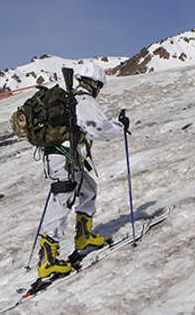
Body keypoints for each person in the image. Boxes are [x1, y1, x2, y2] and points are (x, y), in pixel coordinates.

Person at [37, 62, 128, 279]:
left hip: (63, 157)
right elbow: (98, 129)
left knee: (88, 189)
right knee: (62, 201)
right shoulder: (84, 100)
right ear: (95, 83)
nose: (100, 90)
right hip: (64, 158)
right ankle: (48, 260)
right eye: (100, 86)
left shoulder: (72, 98)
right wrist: (121, 127)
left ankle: (84, 237)